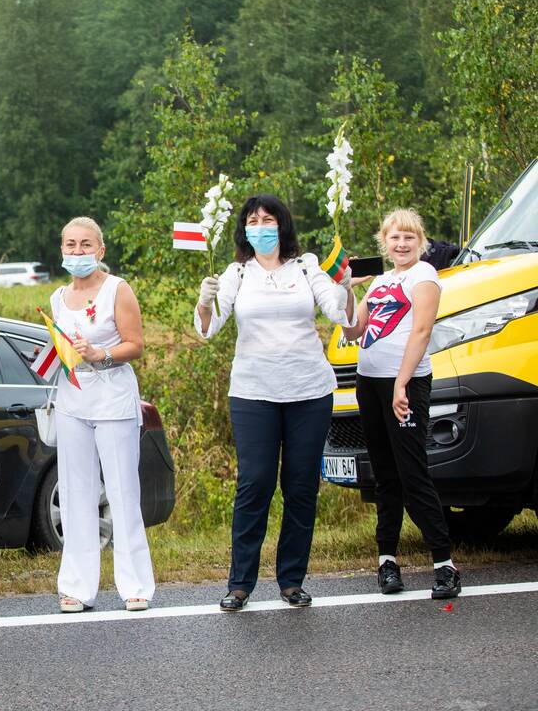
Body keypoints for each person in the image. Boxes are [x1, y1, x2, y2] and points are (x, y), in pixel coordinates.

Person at [195, 194, 363, 611]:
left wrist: (345, 288)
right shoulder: (237, 272)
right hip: (253, 393)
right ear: (244, 229)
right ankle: (240, 584)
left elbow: (341, 317)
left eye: (268, 219)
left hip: (308, 391)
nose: (261, 226)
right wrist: (203, 300)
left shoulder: (306, 265)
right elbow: (210, 327)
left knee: (301, 486)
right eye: (253, 220)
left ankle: (292, 580)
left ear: (282, 225)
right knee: (255, 484)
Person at [343, 208, 460, 599]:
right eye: (395, 238)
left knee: (412, 473)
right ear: (385, 242)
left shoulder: (424, 275)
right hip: (369, 383)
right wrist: (347, 288)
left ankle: (444, 565)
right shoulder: (378, 281)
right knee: (385, 475)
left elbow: (423, 330)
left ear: (420, 241)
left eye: (409, 237)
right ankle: (387, 561)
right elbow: (354, 329)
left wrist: (403, 383)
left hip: (405, 384)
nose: (402, 244)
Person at [50, 217, 154, 613]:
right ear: (62, 250)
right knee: (76, 493)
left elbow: (135, 344)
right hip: (73, 401)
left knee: (123, 492)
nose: (78, 252)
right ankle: (77, 586)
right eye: (71, 245)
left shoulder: (117, 289)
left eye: (85, 245)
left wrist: (100, 355)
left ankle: (135, 585)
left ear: (100, 250)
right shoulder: (58, 296)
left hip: (112, 401)